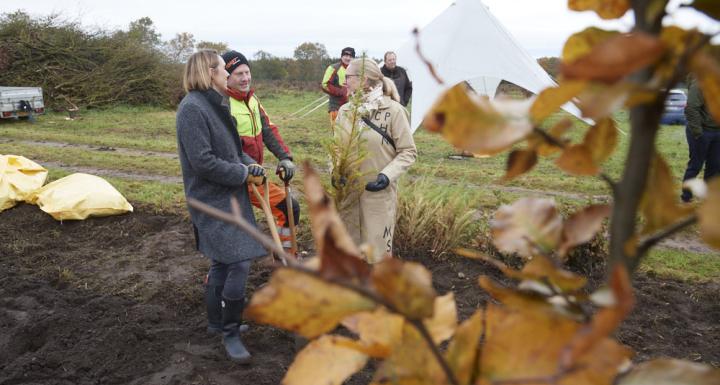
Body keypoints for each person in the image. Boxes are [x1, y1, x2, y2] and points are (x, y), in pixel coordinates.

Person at [176, 49, 267, 363]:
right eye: (222, 70)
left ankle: (217, 323)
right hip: (210, 199)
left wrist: (251, 165)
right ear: (209, 73)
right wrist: (241, 173)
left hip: (229, 196)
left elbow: (233, 149)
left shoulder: (216, 104)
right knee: (239, 259)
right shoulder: (192, 109)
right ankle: (231, 333)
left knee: (223, 263)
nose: (229, 75)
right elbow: (202, 162)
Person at [334, 57, 417, 263]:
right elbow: (336, 149)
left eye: (349, 77)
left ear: (364, 79)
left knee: (377, 257)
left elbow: (408, 151)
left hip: (378, 197)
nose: (344, 81)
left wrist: (386, 176)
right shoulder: (345, 112)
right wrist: (336, 172)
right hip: (348, 197)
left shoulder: (394, 111)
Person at [221, 50, 300, 253]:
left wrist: (285, 157)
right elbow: (230, 149)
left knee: (288, 207)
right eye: (239, 74)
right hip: (233, 179)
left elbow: (267, 129)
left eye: (247, 72)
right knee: (232, 236)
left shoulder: (252, 99)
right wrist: (250, 167)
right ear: (226, 77)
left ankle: (286, 256)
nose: (245, 78)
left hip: (255, 176)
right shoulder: (222, 105)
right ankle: (216, 279)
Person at [681, 74, 720, 202]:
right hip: (701, 132)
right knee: (695, 165)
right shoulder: (700, 84)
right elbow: (691, 108)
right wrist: (698, 132)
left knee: (715, 166)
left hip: (717, 132)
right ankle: (686, 197)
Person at [321, 47, 355, 124]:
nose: (348, 58)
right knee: (337, 132)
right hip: (336, 107)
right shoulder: (333, 68)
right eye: (346, 55)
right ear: (341, 56)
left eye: (350, 56)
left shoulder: (356, 70)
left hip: (352, 107)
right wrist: (340, 92)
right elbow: (324, 84)